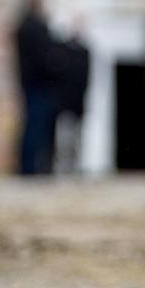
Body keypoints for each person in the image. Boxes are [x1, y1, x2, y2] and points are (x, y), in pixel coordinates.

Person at [13, 0, 66, 177]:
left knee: (35, 128)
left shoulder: (25, 25)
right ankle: (30, 169)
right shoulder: (33, 27)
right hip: (39, 86)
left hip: (34, 85)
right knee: (35, 129)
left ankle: (32, 168)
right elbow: (45, 58)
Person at [54, 21, 90, 176]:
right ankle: (63, 170)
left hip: (78, 105)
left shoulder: (85, 52)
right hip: (65, 105)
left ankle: (74, 170)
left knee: (76, 140)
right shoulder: (63, 51)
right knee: (64, 142)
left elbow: (86, 80)